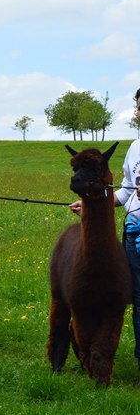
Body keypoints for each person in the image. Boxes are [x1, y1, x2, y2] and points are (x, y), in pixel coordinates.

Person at [69, 88, 140, 383]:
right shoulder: (136, 147)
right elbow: (125, 190)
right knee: (136, 299)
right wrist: (91, 202)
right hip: (134, 232)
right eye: (139, 106)